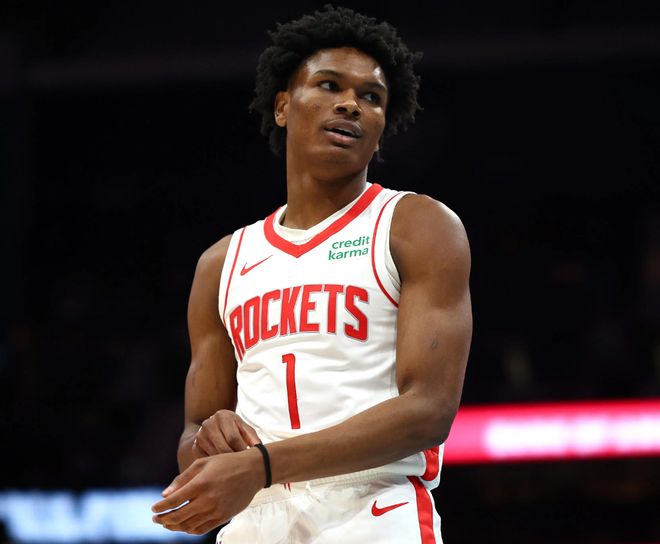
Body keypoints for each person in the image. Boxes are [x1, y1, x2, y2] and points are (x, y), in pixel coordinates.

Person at [151, 5, 472, 543]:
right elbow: (193, 431)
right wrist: (209, 442)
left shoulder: (416, 226)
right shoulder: (222, 262)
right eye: (328, 85)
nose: (350, 103)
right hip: (255, 520)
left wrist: (264, 464)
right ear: (283, 106)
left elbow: (430, 410)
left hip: (372, 514)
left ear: (380, 131)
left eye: (371, 97)